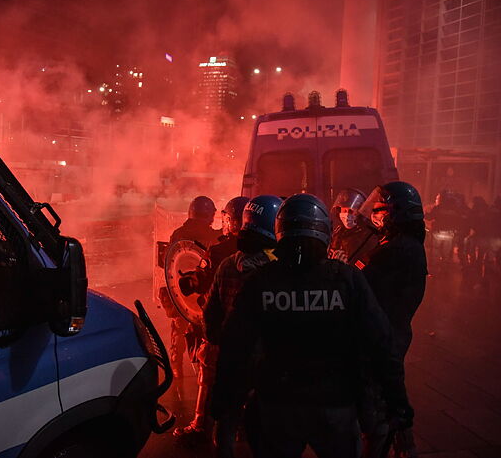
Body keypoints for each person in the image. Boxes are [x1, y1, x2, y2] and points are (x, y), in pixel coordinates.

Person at [211, 194, 412, 458]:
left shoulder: (261, 282)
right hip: (335, 406)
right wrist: (397, 403)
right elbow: (382, 344)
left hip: (277, 406)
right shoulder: (347, 279)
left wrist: (222, 405)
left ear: (280, 231)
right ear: (325, 232)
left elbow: (233, 348)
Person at [173, 195, 279, 448]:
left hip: (227, 338)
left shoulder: (222, 253)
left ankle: (200, 424)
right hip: (266, 344)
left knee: (210, 379)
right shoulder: (281, 260)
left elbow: (210, 300)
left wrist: (211, 338)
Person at [360, 181, 427, 458]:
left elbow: (364, 286)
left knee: (379, 401)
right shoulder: (399, 244)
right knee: (389, 390)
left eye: (381, 211)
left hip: (385, 333)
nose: (376, 216)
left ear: (397, 213)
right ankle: (405, 444)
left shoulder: (397, 250)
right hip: (390, 331)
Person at [161, 195, 222, 398]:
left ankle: (176, 367)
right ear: (209, 215)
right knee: (200, 334)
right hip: (200, 294)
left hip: (181, 292)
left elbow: (170, 260)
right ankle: (200, 375)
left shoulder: (178, 233)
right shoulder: (212, 236)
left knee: (178, 330)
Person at [328, 188, 379, 268]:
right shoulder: (338, 232)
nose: (347, 215)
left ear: (359, 213)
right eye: (344, 211)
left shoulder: (367, 237)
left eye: (351, 211)